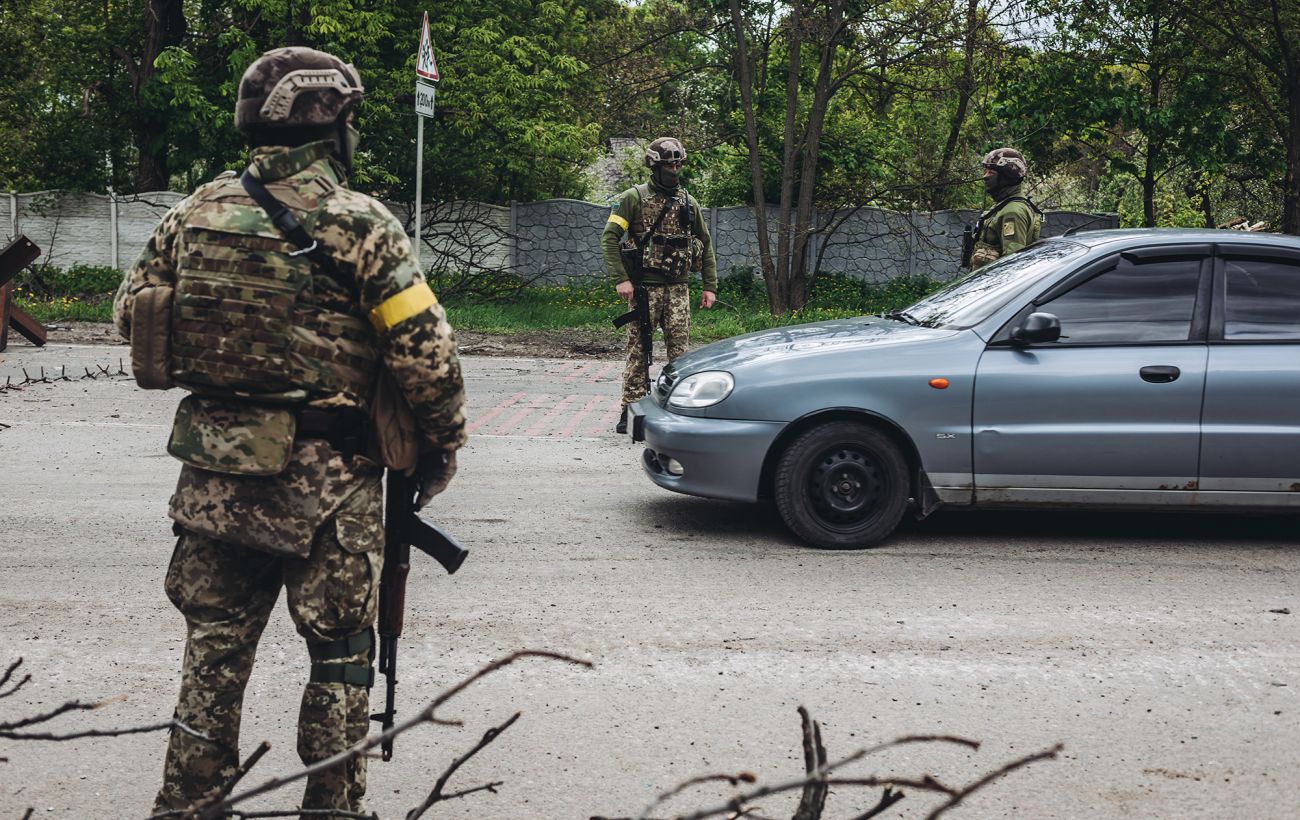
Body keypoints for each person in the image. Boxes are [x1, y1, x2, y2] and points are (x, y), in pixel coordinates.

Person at [112, 47, 467, 816]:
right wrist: (441, 449)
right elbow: (428, 359)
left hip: (214, 481)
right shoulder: (359, 222)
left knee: (212, 654)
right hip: (330, 485)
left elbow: (132, 317)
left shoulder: (193, 211)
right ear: (333, 125)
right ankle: (333, 807)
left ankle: (187, 806)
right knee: (340, 659)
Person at [601, 136, 717, 433]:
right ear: (655, 165)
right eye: (669, 163)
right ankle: (631, 413)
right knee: (638, 352)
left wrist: (709, 286)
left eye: (678, 162)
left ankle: (678, 413)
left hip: (678, 290)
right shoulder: (632, 198)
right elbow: (610, 238)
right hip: (645, 291)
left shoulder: (688, 201)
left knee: (680, 355)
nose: (674, 168)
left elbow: (704, 243)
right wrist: (621, 279)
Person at [969, 147, 1043, 269]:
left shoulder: (1012, 212)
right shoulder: (1004, 205)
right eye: (985, 171)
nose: (985, 177)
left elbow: (1013, 264)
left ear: (1008, 177)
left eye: (991, 172)